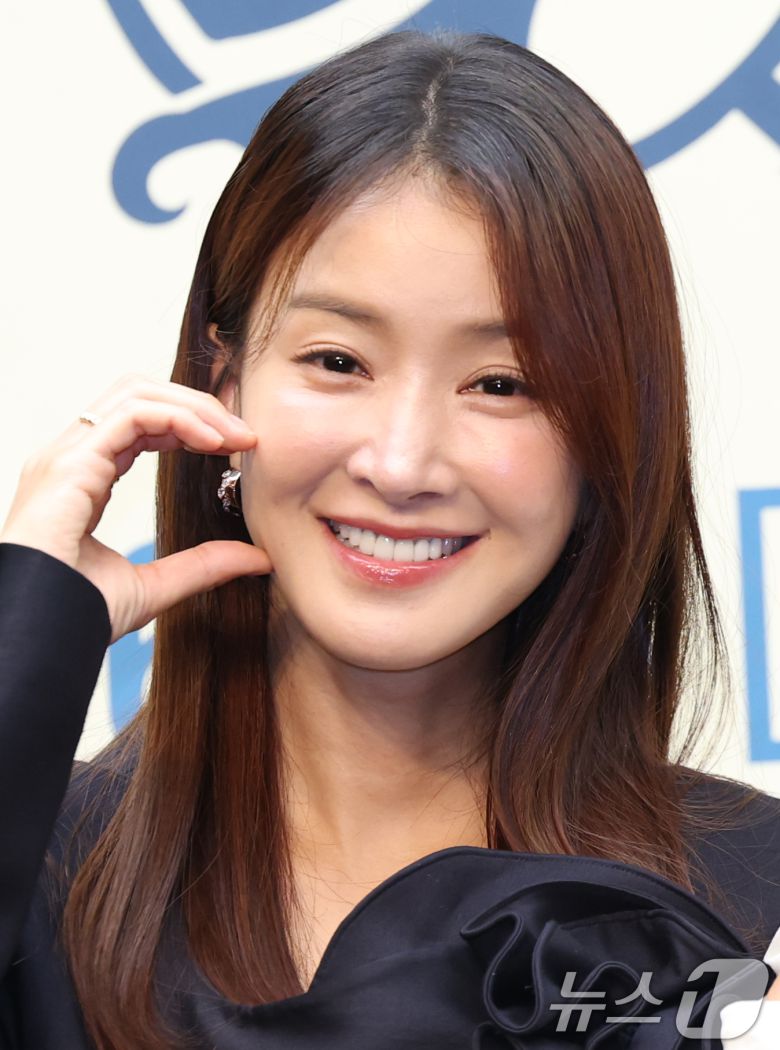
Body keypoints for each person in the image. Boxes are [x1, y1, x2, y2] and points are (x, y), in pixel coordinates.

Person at [0, 26, 779, 1050]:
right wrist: (28, 633)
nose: (403, 463)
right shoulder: (42, 877)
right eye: (337, 361)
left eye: (501, 383)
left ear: (604, 441)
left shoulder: (747, 910)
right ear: (222, 383)